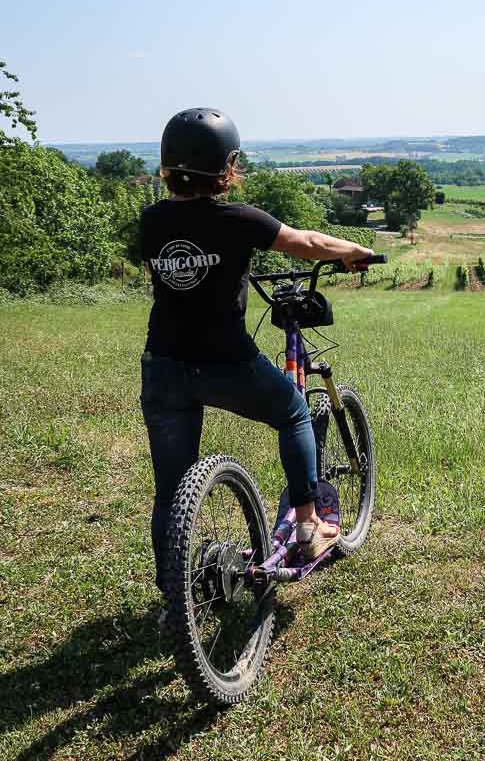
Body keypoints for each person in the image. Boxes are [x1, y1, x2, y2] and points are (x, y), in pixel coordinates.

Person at [139, 107, 372, 597]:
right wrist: (353, 249)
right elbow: (304, 242)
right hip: (225, 361)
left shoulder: (151, 221)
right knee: (293, 411)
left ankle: (172, 600)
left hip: (163, 366)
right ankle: (308, 527)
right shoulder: (237, 218)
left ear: (167, 167)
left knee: (170, 490)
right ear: (226, 167)